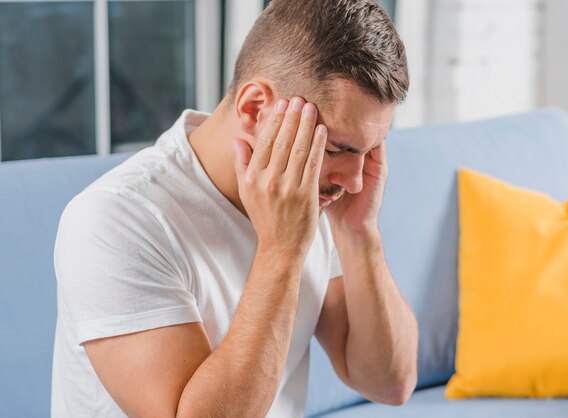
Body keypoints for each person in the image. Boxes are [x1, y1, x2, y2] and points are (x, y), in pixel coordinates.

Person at [51, 0, 418, 416]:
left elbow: (390, 383)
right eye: (336, 149)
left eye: (369, 151)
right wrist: (282, 248)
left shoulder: (321, 199)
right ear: (254, 108)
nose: (354, 181)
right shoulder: (115, 220)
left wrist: (359, 233)